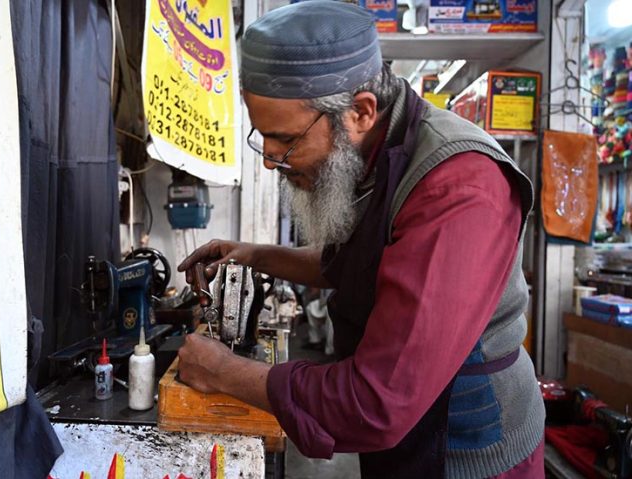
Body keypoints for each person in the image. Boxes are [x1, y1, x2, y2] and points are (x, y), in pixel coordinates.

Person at [176, 1, 545, 477]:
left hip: (467, 453)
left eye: (284, 141)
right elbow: (366, 264)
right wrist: (254, 255)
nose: (270, 161)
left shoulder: (459, 190)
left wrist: (225, 372)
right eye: (262, 138)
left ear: (361, 112)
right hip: (405, 445)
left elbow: (379, 399)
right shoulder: (383, 150)